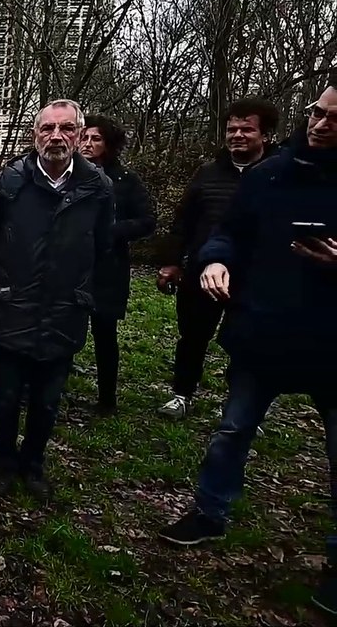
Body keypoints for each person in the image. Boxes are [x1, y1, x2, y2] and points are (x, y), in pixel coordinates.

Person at [158, 80, 337, 615]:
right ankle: (209, 512)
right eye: (318, 112)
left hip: (333, 343)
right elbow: (226, 232)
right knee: (233, 430)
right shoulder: (272, 175)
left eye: (335, 118)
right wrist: (214, 259)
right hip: (263, 332)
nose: (322, 124)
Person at [0, 99, 113, 501]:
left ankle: (33, 464)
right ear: (35, 135)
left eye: (66, 128)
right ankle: (3, 463)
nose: (56, 136)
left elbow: (102, 246)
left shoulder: (98, 188)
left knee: (48, 401)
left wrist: (77, 285)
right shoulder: (7, 184)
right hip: (12, 306)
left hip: (64, 309)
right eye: (47, 128)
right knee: (6, 396)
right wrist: (3, 279)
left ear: (80, 136)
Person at [156, 98, 279, 418]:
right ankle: (181, 394)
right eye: (231, 129)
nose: (237, 135)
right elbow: (182, 221)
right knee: (193, 337)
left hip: (256, 276)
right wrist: (172, 262)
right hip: (201, 272)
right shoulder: (207, 173)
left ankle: (241, 406)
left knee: (247, 343)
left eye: (246, 129)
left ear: (265, 135)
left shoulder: (278, 174)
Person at [80, 114, 156, 416]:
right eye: (84, 137)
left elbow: (147, 221)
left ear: (109, 144)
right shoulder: (69, 174)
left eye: (95, 138)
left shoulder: (125, 180)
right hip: (70, 263)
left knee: (104, 333)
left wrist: (110, 231)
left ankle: (107, 398)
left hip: (108, 267)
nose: (87, 144)